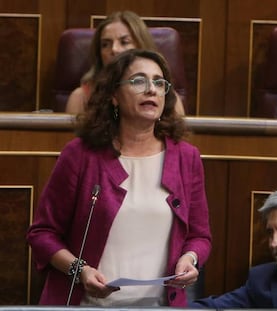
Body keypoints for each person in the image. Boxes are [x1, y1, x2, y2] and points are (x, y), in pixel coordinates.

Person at [27, 49, 211, 307]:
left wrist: (190, 259)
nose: (151, 90)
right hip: (87, 304)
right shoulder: (80, 155)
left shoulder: (186, 157)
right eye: (139, 81)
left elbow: (199, 236)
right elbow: (42, 233)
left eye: (159, 83)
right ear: (114, 95)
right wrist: (80, 271)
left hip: (159, 306)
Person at [65, 10, 185, 115]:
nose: (114, 49)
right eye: (105, 44)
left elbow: (177, 137)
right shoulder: (81, 97)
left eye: (124, 42)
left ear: (141, 47)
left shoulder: (167, 97)